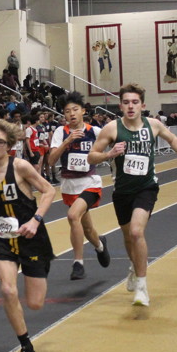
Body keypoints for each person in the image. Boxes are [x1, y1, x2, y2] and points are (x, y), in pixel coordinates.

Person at [87, 84, 177, 307]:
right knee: (129, 237)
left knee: (137, 232)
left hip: (146, 187)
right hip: (122, 191)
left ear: (142, 105)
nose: (130, 106)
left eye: (135, 102)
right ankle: (134, 266)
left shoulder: (153, 125)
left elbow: (172, 139)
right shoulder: (111, 128)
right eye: (126, 102)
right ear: (120, 105)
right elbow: (91, 157)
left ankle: (142, 287)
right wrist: (109, 154)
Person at [0, 119, 55, 352]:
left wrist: (35, 221)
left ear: (9, 146)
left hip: (31, 238)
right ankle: (26, 347)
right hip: (4, 239)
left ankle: (40, 268)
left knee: (35, 303)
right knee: (8, 290)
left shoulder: (20, 167)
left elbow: (49, 191)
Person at [48, 91, 110, 280]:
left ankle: (78, 263)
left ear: (83, 111)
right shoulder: (61, 132)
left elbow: (113, 144)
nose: (71, 114)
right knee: (87, 228)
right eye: (67, 111)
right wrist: (67, 141)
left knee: (73, 216)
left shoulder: (95, 132)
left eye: (75, 110)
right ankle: (100, 245)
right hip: (69, 185)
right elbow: (51, 161)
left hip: (90, 182)